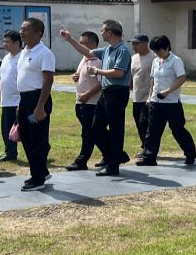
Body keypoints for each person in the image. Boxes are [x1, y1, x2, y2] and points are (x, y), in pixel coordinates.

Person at [60, 19, 132, 177]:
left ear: (110, 32)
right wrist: (69, 39)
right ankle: (116, 155)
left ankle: (113, 165)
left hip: (117, 92)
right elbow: (88, 52)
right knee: (95, 128)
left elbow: (118, 73)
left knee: (116, 129)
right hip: (107, 93)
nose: (101, 32)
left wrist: (97, 71)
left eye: (103, 30)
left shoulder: (123, 50)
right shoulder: (107, 49)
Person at [137, 36, 196, 166]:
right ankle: (149, 158)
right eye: (155, 51)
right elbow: (153, 80)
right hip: (156, 102)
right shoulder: (155, 61)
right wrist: (149, 97)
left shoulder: (175, 61)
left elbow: (182, 78)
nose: (157, 54)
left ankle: (190, 154)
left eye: (159, 51)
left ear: (167, 48)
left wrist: (167, 91)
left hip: (172, 103)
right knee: (152, 131)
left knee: (178, 130)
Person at [15, 17, 56, 191]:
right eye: (21, 28)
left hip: (38, 99)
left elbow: (48, 80)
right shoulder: (24, 51)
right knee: (26, 137)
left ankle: (37, 179)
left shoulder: (44, 53)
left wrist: (40, 106)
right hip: (25, 99)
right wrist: (21, 103)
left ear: (38, 33)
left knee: (37, 138)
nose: (21, 32)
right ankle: (41, 171)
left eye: (26, 29)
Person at [64, 31, 102, 171]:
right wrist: (76, 76)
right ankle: (112, 154)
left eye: (84, 43)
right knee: (96, 132)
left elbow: (101, 83)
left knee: (88, 133)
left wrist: (87, 95)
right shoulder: (84, 59)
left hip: (91, 103)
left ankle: (81, 161)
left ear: (93, 44)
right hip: (80, 102)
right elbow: (83, 77)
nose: (81, 46)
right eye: (80, 43)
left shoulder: (98, 60)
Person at [0, 30, 22, 161]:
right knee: (6, 129)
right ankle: (10, 152)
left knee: (24, 129)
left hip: (18, 100)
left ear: (17, 43)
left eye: (7, 42)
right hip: (6, 101)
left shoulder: (22, 57)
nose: (4, 44)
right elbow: (0, 77)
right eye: (4, 41)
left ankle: (41, 149)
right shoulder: (6, 58)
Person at [129, 34, 155, 160]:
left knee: (144, 122)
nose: (134, 46)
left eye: (137, 43)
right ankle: (145, 146)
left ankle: (148, 149)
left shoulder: (154, 58)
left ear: (145, 44)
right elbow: (132, 74)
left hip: (148, 97)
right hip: (136, 96)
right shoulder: (133, 58)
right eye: (133, 44)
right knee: (138, 123)